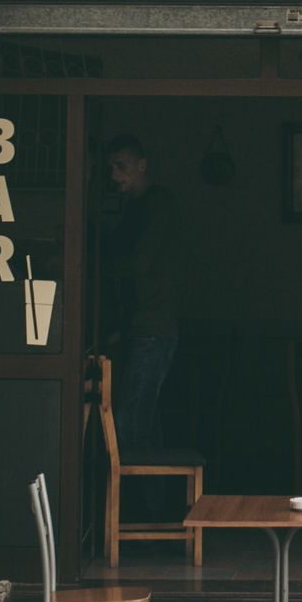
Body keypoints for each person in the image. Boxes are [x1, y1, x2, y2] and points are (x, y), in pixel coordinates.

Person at [105, 134, 180, 449]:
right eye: (111, 168)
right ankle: (150, 500)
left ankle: (133, 500)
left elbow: (139, 262)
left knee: (131, 423)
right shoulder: (136, 209)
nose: (114, 176)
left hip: (151, 329)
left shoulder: (156, 204)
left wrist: (86, 267)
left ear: (142, 166)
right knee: (143, 423)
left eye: (121, 166)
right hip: (141, 328)